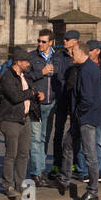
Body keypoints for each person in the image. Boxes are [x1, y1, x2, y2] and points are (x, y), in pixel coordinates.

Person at [56, 40, 101, 200]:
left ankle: (92, 191)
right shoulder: (86, 68)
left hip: (86, 118)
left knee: (89, 154)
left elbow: (88, 99)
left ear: (83, 53)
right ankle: (64, 178)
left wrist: (77, 113)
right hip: (83, 117)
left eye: (73, 52)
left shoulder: (86, 70)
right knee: (68, 144)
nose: (71, 55)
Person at [0, 47, 42, 199]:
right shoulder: (7, 78)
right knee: (11, 154)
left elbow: (32, 91)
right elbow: (15, 97)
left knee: (23, 154)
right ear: (18, 62)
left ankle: (21, 183)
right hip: (10, 119)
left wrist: (37, 95)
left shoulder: (25, 76)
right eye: (26, 62)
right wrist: (31, 93)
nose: (29, 64)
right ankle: (8, 185)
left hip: (25, 118)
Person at [26, 29, 59, 186]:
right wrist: (42, 72)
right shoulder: (32, 57)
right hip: (36, 105)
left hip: (51, 103)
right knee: (35, 139)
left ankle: (41, 169)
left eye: (43, 42)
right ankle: (36, 173)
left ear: (51, 42)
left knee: (45, 138)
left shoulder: (57, 57)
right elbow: (26, 77)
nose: (40, 44)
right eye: (39, 41)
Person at [51, 29, 81, 178]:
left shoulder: (80, 56)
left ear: (75, 41)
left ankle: (75, 162)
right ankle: (57, 163)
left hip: (75, 98)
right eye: (64, 38)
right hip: (62, 97)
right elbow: (56, 74)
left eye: (68, 39)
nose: (65, 41)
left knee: (76, 131)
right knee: (58, 131)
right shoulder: (59, 56)